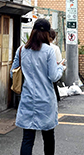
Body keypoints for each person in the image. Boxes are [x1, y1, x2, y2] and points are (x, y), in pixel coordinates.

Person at [11, 18, 65, 155]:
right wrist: (61, 68)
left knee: (27, 139)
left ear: (33, 31)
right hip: (46, 100)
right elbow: (53, 76)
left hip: (28, 99)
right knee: (48, 137)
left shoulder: (22, 50)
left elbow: (13, 73)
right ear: (47, 33)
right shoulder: (49, 51)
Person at [48, 29, 63, 101]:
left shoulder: (23, 49)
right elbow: (59, 62)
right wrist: (61, 68)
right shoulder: (54, 48)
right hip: (51, 77)